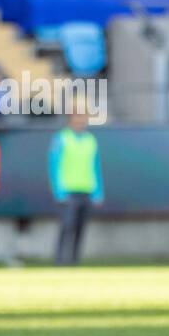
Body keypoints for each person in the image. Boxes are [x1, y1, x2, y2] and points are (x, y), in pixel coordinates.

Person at [48, 111, 103, 266]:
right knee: (67, 227)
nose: (81, 122)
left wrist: (98, 192)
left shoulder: (90, 140)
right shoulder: (61, 138)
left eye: (83, 119)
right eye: (77, 118)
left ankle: (74, 261)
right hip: (68, 191)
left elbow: (95, 167)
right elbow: (54, 165)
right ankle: (60, 261)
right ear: (70, 120)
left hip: (86, 190)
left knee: (80, 229)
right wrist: (58, 191)